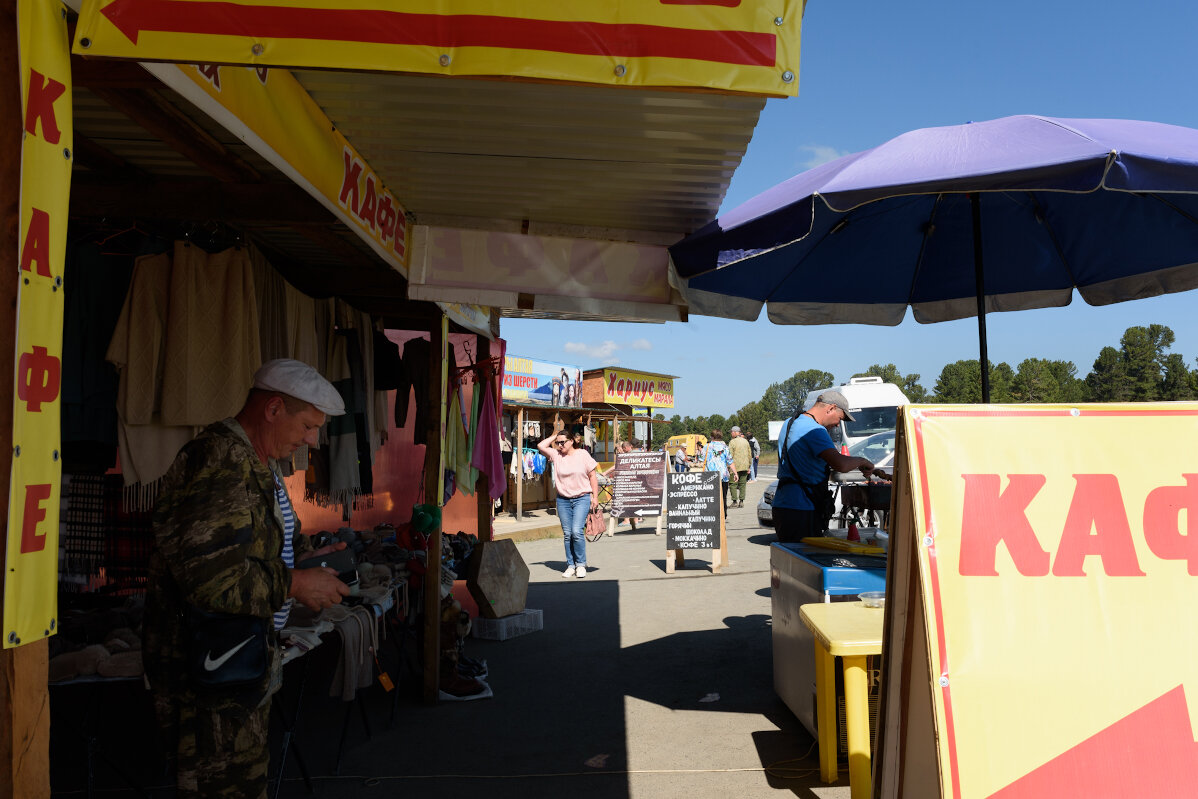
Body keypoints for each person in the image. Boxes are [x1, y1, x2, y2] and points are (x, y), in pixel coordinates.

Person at [144, 359, 352, 799]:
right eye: (308, 425)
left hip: (236, 668)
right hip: (209, 680)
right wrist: (296, 584)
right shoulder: (221, 460)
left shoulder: (258, 461)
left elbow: (246, 553)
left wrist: (305, 561)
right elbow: (213, 581)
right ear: (273, 409)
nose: (312, 440)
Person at [773, 389, 876, 544]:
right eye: (839, 418)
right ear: (831, 408)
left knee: (791, 562)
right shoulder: (815, 430)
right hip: (802, 508)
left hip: (783, 505)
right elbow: (841, 464)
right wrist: (862, 461)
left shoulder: (790, 422)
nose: (837, 424)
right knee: (807, 563)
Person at [538, 419, 599, 577]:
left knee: (576, 531)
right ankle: (570, 565)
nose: (560, 446)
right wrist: (555, 435)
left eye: (563, 442)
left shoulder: (582, 454)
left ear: (572, 441)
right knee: (567, 533)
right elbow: (540, 446)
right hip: (563, 499)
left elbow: (593, 476)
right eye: (558, 443)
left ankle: (580, 564)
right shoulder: (556, 455)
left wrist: (595, 497)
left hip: (581, 498)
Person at [703, 429, 737, 518]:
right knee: (723, 496)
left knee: (711, 497)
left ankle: (712, 514)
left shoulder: (707, 447)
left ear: (712, 437)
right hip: (723, 476)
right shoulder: (725, 447)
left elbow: (701, 460)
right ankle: (723, 514)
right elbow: (730, 461)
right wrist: (735, 473)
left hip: (710, 476)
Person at [727, 426, 752, 509]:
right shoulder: (745, 441)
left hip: (735, 467)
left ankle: (734, 501)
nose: (731, 433)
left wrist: (728, 466)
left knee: (733, 484)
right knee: (742, 484)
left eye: (731, 432)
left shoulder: (732, 442)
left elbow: (730, 455)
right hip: (745, 466)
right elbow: (749, 454)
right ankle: (741, 501)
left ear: (735, 432)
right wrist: (749, 466)